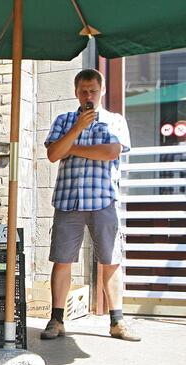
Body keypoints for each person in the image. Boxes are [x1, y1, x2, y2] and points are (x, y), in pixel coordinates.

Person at [42, 69, 140, 342]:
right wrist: (77, 130)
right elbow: (52, 154)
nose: (88, 96)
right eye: (83, 91)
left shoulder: (114, 121)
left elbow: (110, 152)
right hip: (68, 199)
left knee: (111, 261)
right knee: (62, 260)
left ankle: (117, 321)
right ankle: (57, 319)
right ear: (76, 92)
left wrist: (71, 148)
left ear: (102, 91)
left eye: (93, 91)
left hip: (103, 199)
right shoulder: (64, 120)